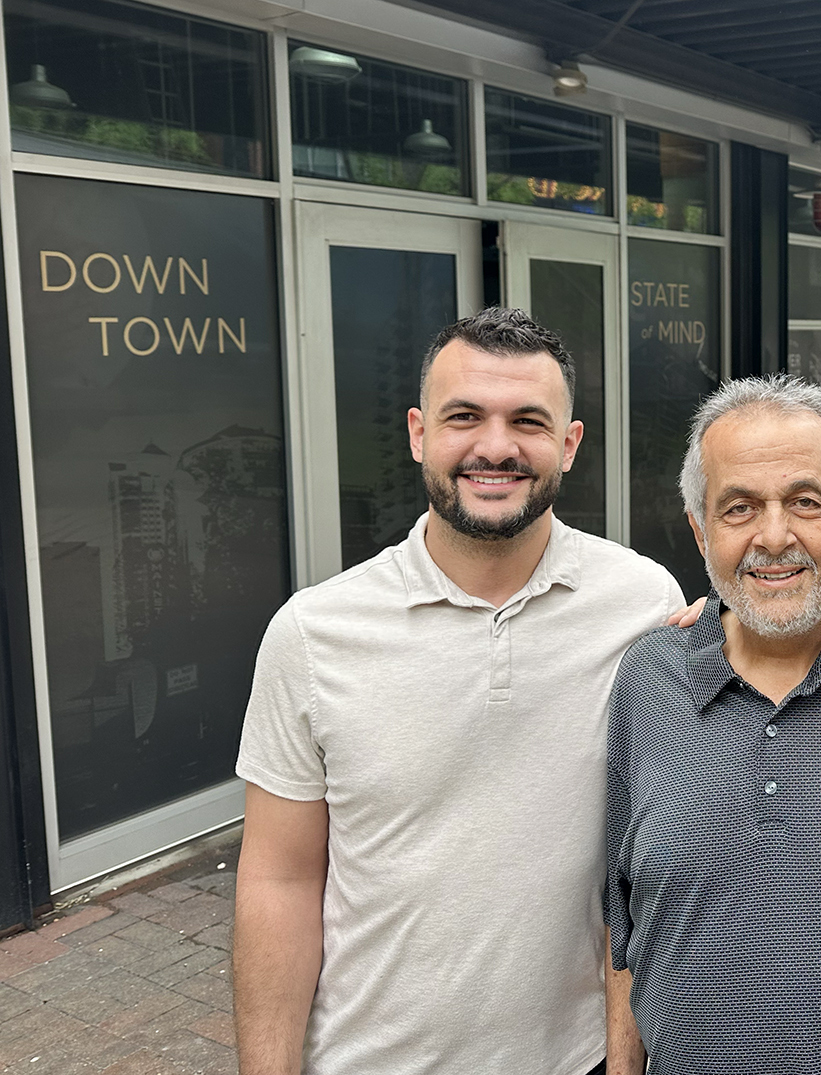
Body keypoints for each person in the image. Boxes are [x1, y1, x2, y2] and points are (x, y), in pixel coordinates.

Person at [233, 308, 687, 1075]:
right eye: (464, 416)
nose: (496, 446)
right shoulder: (312, 634)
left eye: (528, 420)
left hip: (573, 1058)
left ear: (569, 444)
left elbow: (656, 848)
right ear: (419, 434)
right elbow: (280, 880)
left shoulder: (642, 604)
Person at [604, 376, 821, 1075]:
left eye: (805, 501)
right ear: (700, 531)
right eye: (739, 508)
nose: (773, 537)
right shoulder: (647, 680)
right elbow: (624, 924)